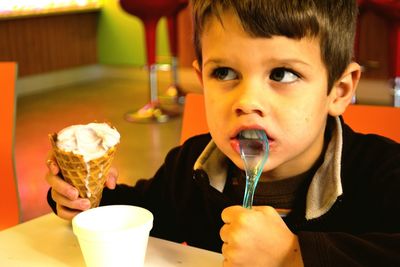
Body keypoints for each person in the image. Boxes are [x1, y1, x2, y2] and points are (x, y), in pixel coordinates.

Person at [46, 0, 400, 266]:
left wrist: (295, 255)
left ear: (338, 90)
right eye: (225, 73)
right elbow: (141, 214)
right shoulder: (192, 167)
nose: (247, 101)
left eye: (282, 74)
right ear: (201, 79)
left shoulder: (381, 171)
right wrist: (84, 199)